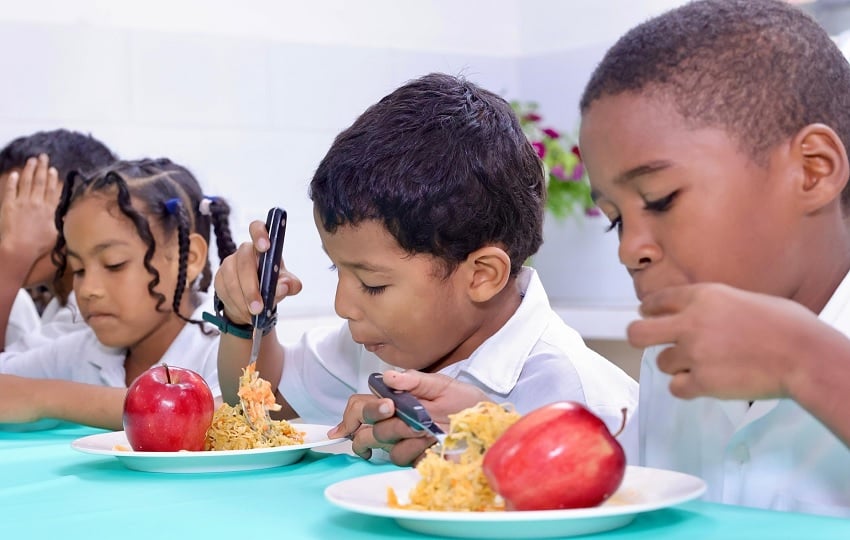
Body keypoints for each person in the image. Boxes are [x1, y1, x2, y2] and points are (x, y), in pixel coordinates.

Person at [364, 0, 850, 518]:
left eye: (662, 200)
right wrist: (499, 433)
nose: (630, 249)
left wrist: (807, 363)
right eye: (617, 220)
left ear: (812, 171)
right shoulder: (672, 362)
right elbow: (634, 493)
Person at [212, 72, 639, 462]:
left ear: (482, 275)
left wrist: (484, 449)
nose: (344, 305)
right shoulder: (380, 342)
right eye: (335, 271)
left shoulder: (584, 399)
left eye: (372, 283)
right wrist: (245, 319)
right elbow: (262, 400)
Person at [0, 158, 237, 429]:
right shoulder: (85, 350)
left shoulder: (225, 346)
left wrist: (49, 397)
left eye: (114, 264)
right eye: (78, 269)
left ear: (188, 257)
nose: (88, 290)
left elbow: (230, 420)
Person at [0, 129, 117, 352]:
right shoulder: (61, 307)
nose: (8, 229)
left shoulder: (91, 315)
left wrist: (14, 255)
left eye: (25, 210)